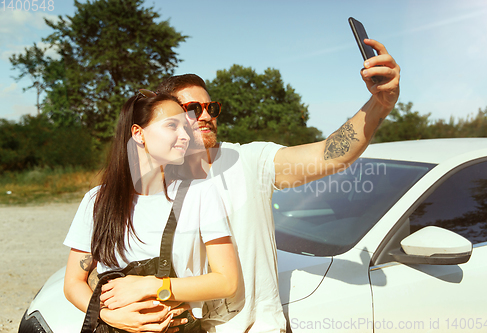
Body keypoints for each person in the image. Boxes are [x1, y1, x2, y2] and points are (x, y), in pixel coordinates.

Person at [100, 38, 400, 333]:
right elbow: (101, 269)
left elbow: (330, 154)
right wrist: (107, 313)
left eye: (211, 108)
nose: (205, 116)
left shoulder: (248, 161)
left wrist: (378, 104)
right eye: (192, 109)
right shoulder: (154, 185)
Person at [63, 91, 239, 332]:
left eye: (185, 128)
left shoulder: (201, 193)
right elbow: (73, 283)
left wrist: (149, 286)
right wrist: (106, 316)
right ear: (138, 133)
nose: (184, 135)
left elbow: (227, 281)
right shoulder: (97, 200)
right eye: (171, 125)